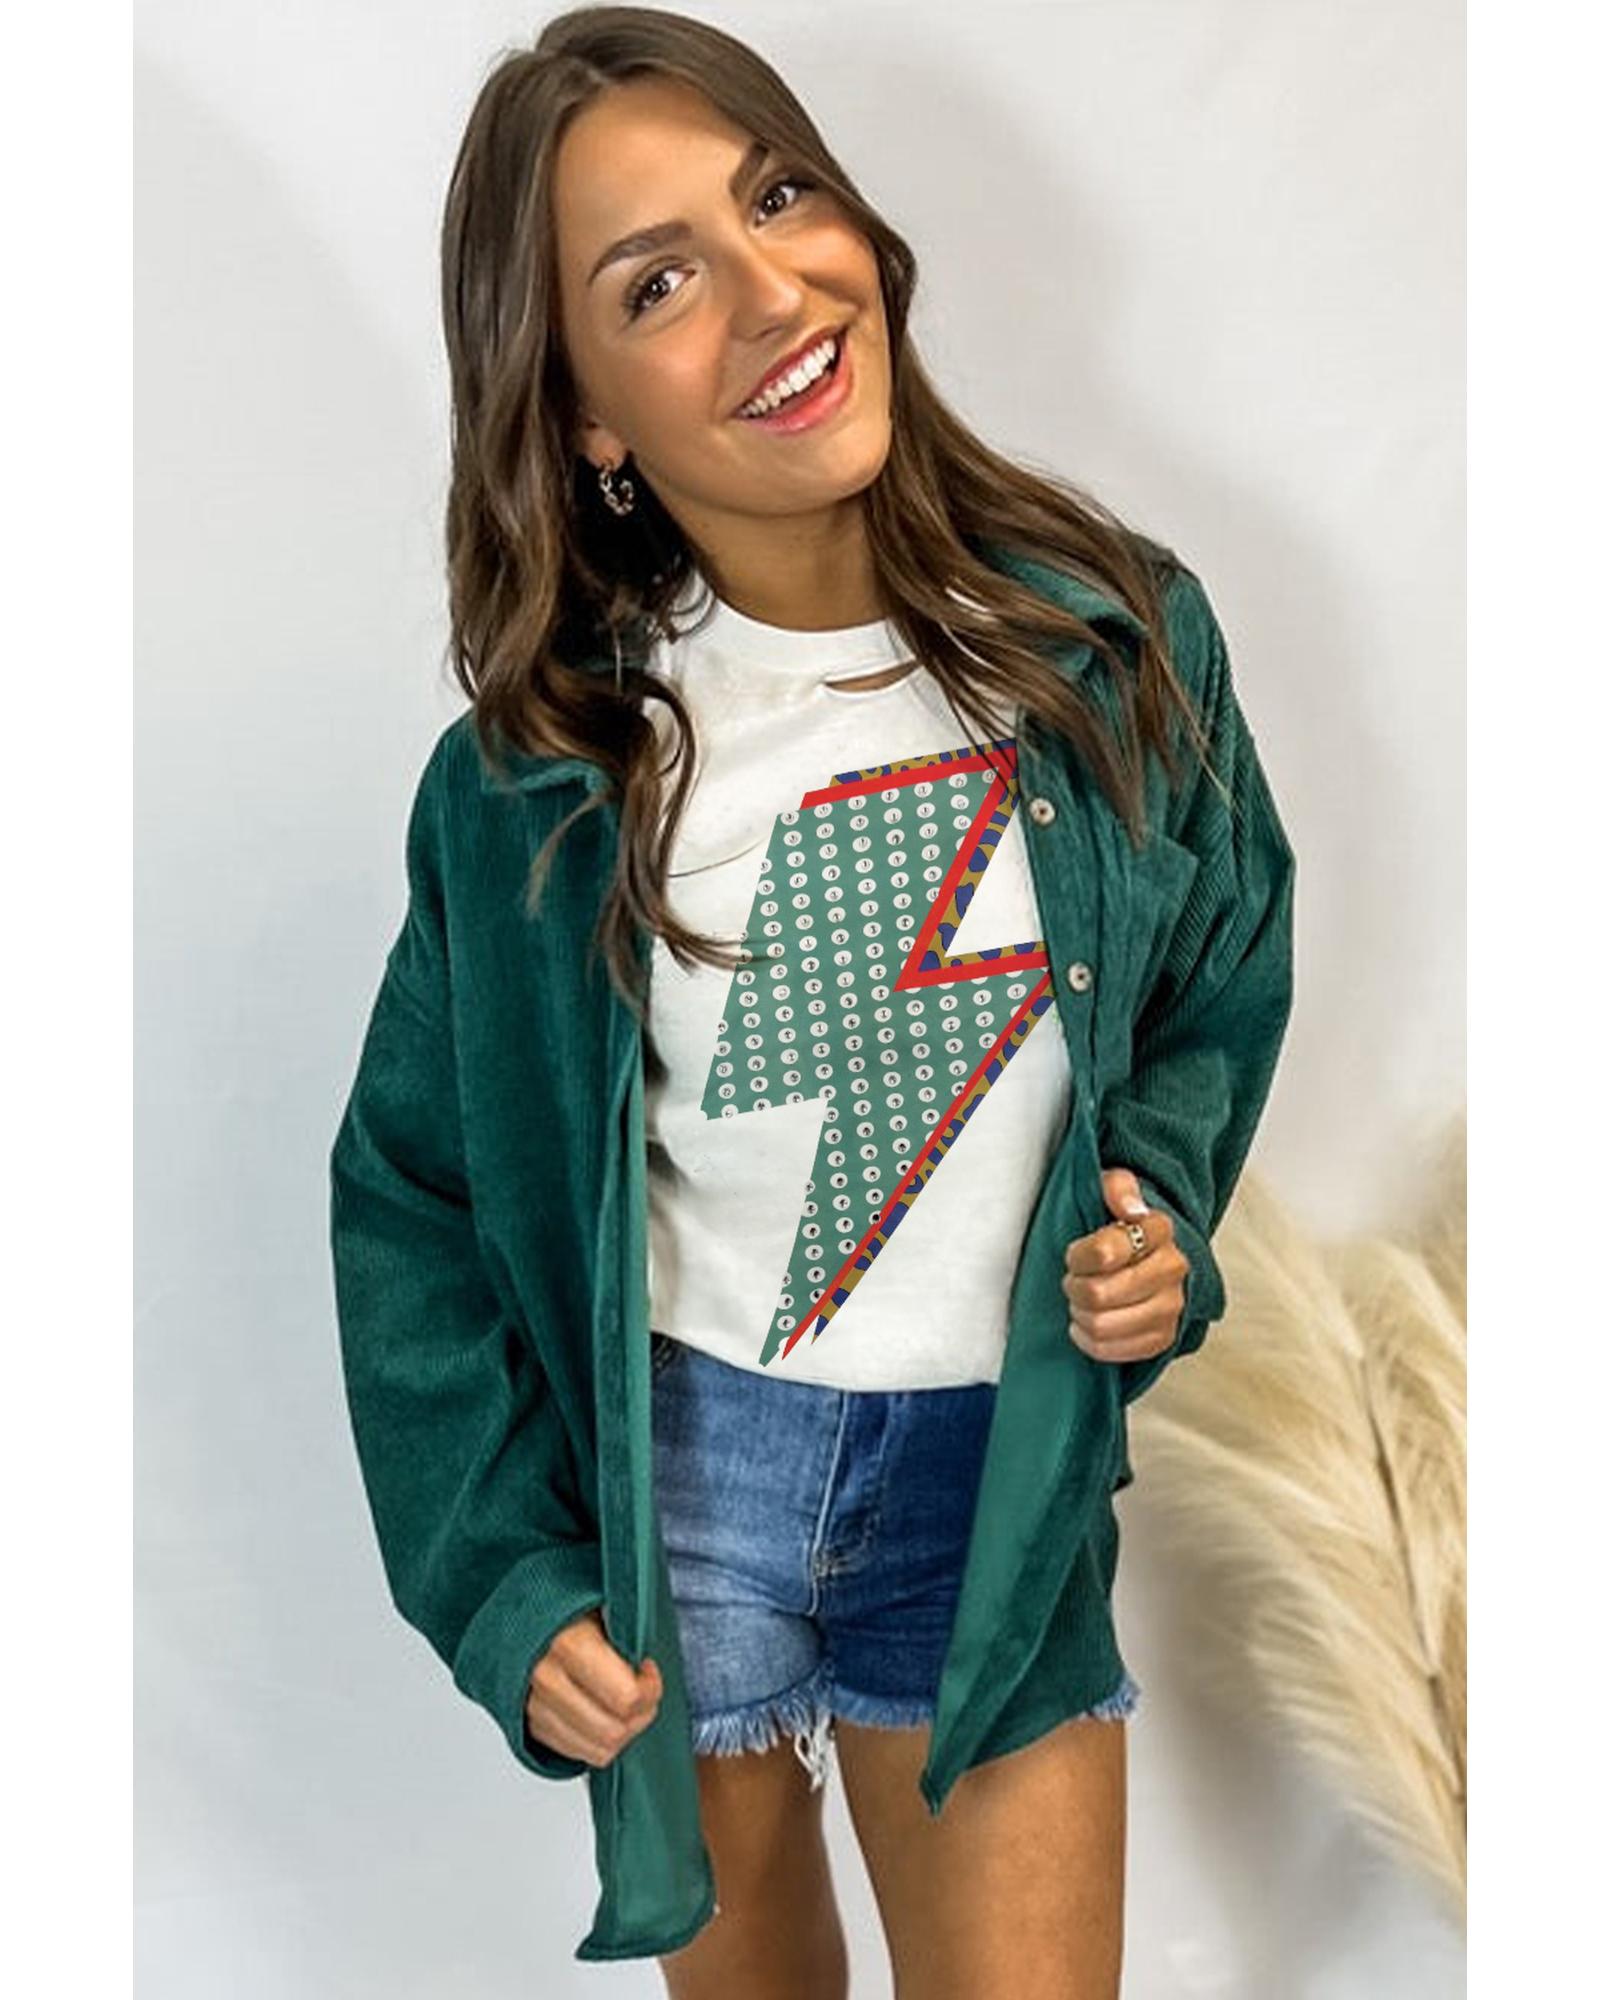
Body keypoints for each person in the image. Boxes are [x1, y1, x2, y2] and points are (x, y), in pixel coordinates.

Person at [328, 7, 1296, 1994]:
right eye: (656, 282)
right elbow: (413, 1203)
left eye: (776, 195)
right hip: (689, 1489)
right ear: (582, 415)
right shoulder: (537, 783)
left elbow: (1216, 979)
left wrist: (1159, 1219)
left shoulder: (1111, 643)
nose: (770, 290)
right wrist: (503, 1581)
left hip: (991, 1482)